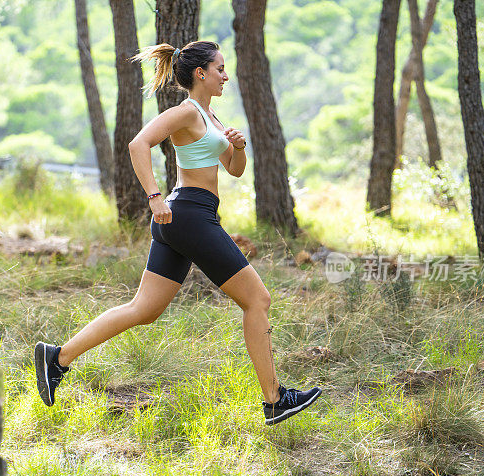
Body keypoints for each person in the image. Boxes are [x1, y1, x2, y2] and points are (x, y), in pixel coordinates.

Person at [35, 41, 321, 425]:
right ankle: (274, 400)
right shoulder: (186, 111)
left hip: (187, 218)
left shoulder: (211, 118)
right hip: (188, 215)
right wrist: (154, 197)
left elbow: (234, 170)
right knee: (258, 299)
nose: (226, 75)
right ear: (200, 73)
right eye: (220, 68)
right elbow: (139, 143)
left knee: (144, 310)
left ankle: (57, 357)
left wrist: (238, 148)